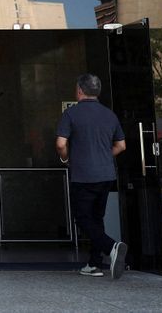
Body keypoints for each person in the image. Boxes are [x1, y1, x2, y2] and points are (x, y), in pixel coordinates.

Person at [56, 73, 128, 279]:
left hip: (83, 175)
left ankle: (112, 247)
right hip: (106, 174)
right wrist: (104, 156)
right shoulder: (109, 115)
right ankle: (94, 264)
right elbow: (121, 146)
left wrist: (65, 158)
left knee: (82, 218)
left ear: (80, 90)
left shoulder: (71, 114)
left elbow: (61, 143)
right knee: (97, 218)